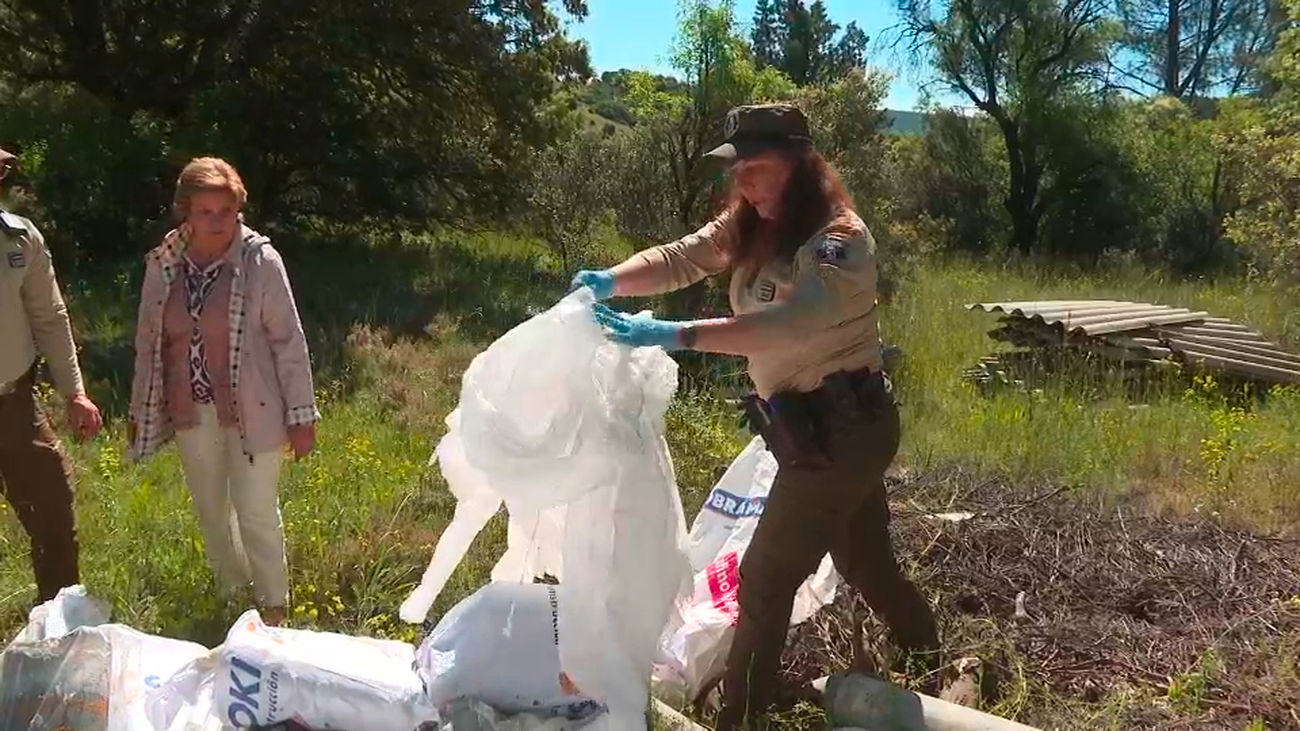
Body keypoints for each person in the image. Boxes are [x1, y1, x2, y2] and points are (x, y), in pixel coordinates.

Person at [571, 104, 940, 728]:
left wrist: (674, 333)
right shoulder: (752, 224)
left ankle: (739, 717)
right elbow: (682, 257)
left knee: (764, 580)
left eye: (756, 166)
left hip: (843, 432)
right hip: (812, 430)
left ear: (798, 165)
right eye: (735, 165)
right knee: (867, 564)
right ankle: (929, 659)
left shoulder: (839, 242)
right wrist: (609, 280)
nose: (741, 178)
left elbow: (789, 325)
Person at [128, 157, 319, 626]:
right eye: (204, 212)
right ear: (185, 212)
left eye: (225, 211)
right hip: (192, 409)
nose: (216, 223)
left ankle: (274, 608)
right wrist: (138, 409)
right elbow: (148, 343)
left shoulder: (259, 260)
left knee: (254, 510)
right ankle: (232, 599)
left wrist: (302, 415)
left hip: (255, 409)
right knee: (212, 510)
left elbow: (288, 341)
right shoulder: (165, 263)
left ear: (239, 209)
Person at [0, 145, 104, 603]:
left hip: (14, 401)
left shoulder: (20, 240)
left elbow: (50, 316)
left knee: (54, 515)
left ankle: (58, 635)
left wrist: (74, 393)